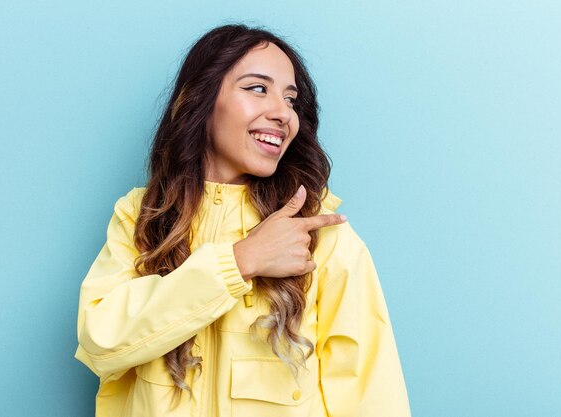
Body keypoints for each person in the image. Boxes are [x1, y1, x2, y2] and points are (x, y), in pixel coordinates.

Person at [75, 24, 411, 417]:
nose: (283, 112)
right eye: (257, 88)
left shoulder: (317, 230)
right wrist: (240, 261)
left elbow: (372, 395)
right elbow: (101, 342)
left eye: (291, 99)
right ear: (198, 99)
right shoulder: (141, 215)